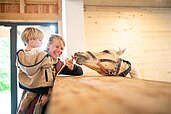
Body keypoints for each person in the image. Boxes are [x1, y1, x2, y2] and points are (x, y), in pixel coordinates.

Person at [17, 34, 83, 114]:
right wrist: (48, 92)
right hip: (32, 102)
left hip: (48, 104)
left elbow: (80, 72)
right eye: (57, 46)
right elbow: (26, 83)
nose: (59, 50)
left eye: (62, 48)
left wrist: (72, 67)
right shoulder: (37, 58)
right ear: (48, 45)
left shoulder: (58, 64)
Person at [16, 27, 55, 114]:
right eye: (40, 40)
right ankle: (40, 105)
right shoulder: (38, 52)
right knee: (51, 92)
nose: (41, 42)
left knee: (28, 96)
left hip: (29, 84)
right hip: (39, 84)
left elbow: (19, 66)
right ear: (31, 40)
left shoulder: (21, 54)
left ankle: (20, 109)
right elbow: (48, 62)